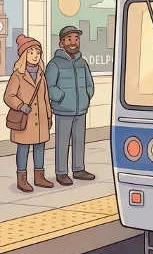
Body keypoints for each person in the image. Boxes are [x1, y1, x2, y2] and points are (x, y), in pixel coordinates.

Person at [46, 26, 96, 185]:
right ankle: (61, 172)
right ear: (61, 43)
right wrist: (61, 99)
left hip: (81, 109)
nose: (73, 42)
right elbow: (50, 87)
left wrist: (87, 96)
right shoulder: (54, 64)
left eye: (76, 38)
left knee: (79, 140)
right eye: (69, 39)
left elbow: (89, 83)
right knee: (62, 142)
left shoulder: (83, 63)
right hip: (63, 110)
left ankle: (78, 169)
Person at [4, 35, 53, 193]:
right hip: (25, 119)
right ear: (24, 55)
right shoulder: (18, 75)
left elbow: (45, 97)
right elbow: (8, 96)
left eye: (37, 52)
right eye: (31, 52)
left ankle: (39, 176)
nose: (35, 55)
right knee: (23, 148)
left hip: (40, 120)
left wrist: (49, 115)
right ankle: (22, 178)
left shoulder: (41, 75)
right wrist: (20, 105)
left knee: (40, 147)